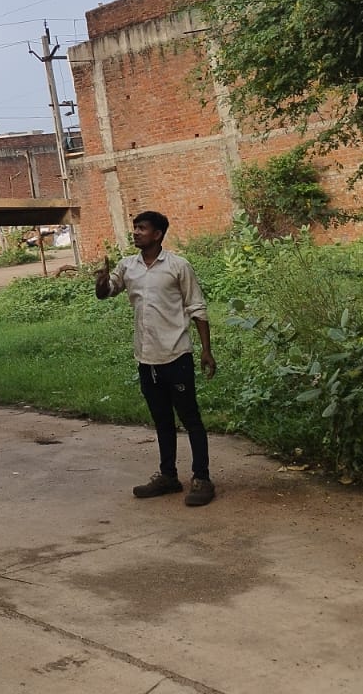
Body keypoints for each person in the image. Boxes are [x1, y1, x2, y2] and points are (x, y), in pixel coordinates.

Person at [95, 210, 217, 507]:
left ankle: (202, 478)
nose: (136, 232)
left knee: (190, 418)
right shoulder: (128, 266)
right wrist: (101, 281)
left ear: (158, 234)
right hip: (147, 358)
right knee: (162, 420)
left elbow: (197, 308)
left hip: (176, 354)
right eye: (135, 227)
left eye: (142, 228)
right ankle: (168, 476)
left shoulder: (178, 266)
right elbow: (106, 292)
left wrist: (206, 350)